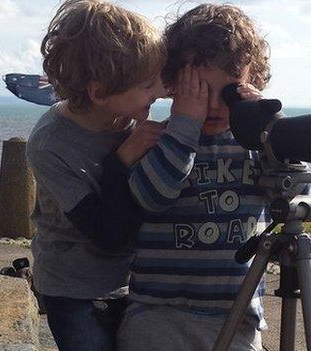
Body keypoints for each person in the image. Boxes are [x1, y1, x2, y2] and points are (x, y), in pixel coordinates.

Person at [116, 4, 272, 350]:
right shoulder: (158, 139)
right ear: (172, 83)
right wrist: (184, 126)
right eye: (199, 90)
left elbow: (291, 198)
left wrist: (270, 127)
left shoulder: (256, 145)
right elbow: (150, 196)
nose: (215, 105)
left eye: (230, 93)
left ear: (252, 82)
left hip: (236, 314)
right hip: (159, 314)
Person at [26, 1, 166, 350]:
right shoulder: (50, 145)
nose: (159, 93)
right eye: (148, 85)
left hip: (133, 281)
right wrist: (120, 162)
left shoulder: (130, 117)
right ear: (99, 92)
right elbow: (108, 233)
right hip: (72, 289)